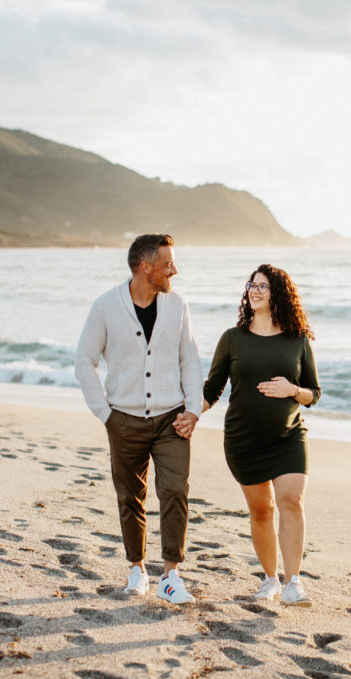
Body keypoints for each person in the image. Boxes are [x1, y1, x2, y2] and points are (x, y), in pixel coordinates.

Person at [75, 234, 203, 604]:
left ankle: (171, 575)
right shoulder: (105, 306)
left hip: (171, 418)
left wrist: (193, 409)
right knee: (130, 496)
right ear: (146, 268)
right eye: (168, 264)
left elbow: (189, 360)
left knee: (175, 490)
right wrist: (105, 413)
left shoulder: (178, 306)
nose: (174, 270)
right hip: (124, 419)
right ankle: (137, 569)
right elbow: (84, 360)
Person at [201, 264, 321, 607]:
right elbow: (213, 388)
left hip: (289, 437)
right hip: (244, 440)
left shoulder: (296, 339)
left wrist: (292, 390)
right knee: (262, 511)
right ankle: (270, 579)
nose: (255, 291)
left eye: (264, 287)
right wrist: (192, 413)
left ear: (278, 294)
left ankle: (293, 582)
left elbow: (314, 393)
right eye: (252, 285)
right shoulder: (232, 338)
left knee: (291, 501)